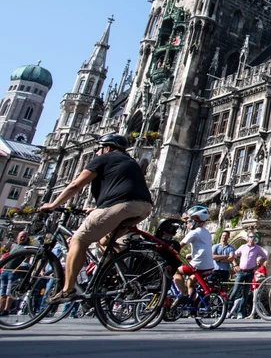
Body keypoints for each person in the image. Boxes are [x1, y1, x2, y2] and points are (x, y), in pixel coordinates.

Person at [39, 133, 153, 304]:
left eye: (98, 149)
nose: (96, 152)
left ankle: (67, 290)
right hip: (143, 207)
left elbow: (76, 185)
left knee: (79, 239)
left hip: (120, 206)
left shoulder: (104, 158)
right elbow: (124, 189)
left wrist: (53, 204)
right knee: (105, 243)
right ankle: (123, 281)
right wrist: (98, 209)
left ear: (107, 148)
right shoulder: (131, 162)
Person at [171, 205, 215, 309]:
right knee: (191, 282)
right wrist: (191, 255)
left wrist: (170, 252)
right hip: (209, 266)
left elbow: (178, 247)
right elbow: (203, 247)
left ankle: (182, 293)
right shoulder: (206, 232)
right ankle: (192, 305)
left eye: (188, 221)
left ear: (194, 221)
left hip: (198, 265)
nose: (187, 223)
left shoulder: (193, 233)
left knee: (176, 272)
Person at [230, 233, 267, 318]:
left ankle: (240, 312)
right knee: (235, 291)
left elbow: (265, 257)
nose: (252, 238)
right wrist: (235, 265)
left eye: (254, 237)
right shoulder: (243, 247)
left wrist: (258, 266)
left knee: (245, 293)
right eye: (251, 237)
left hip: (250, 272)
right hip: (241, 272)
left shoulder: (257, 248)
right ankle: (228, 310)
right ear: (248, 238)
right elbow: (233, 255)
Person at [0, 231, 30, 316]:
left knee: (9, 292)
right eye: (21, 236)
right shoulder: (13, 245)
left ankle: (6, 310)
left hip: (14, 272)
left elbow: (26, 260)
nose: (22, 238)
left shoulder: (26, 247)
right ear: (17, 237)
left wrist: (17, 269)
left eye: (24, 236)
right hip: (6, 270)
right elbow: (9, 256)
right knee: (2, 292)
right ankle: (0, 309)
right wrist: (4, 265)